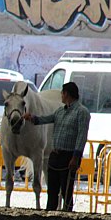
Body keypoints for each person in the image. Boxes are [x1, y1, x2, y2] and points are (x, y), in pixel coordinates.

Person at [23, 82, 90, 211]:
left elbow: (81, 136)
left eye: (62, 93)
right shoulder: (60, 111)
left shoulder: (82, 112)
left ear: (67, 94)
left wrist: (76, 157)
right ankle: (51, 212)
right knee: (52, 190)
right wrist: (33, 118)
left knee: (66, 190)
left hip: (69, 155)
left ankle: (67, 213)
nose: (61, 96)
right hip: (56, 154)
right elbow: (47, 119)